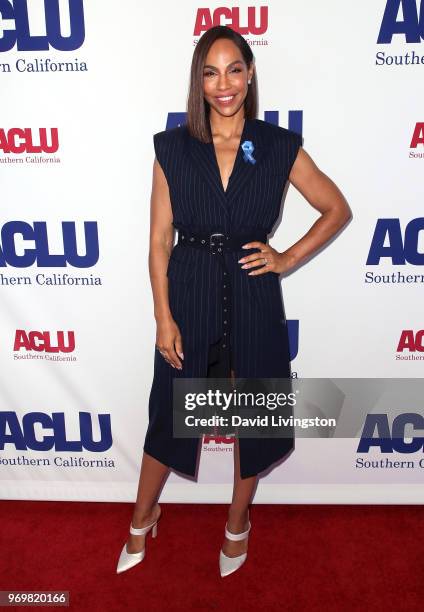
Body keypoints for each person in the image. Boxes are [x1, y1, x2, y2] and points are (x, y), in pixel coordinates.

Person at [117, 25, 351, 577]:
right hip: (190, 287)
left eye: (234, 70)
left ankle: (238, 522)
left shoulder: (276, 145)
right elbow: (157, 240)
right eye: (210, 72)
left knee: (255, 419)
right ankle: (141, 516)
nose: (224, 84)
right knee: (169, 418)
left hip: (253, 294)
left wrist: (286, 259)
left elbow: (335, 208)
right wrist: (163, 316)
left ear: (250, 75)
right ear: (198, 81)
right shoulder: (172, 148)